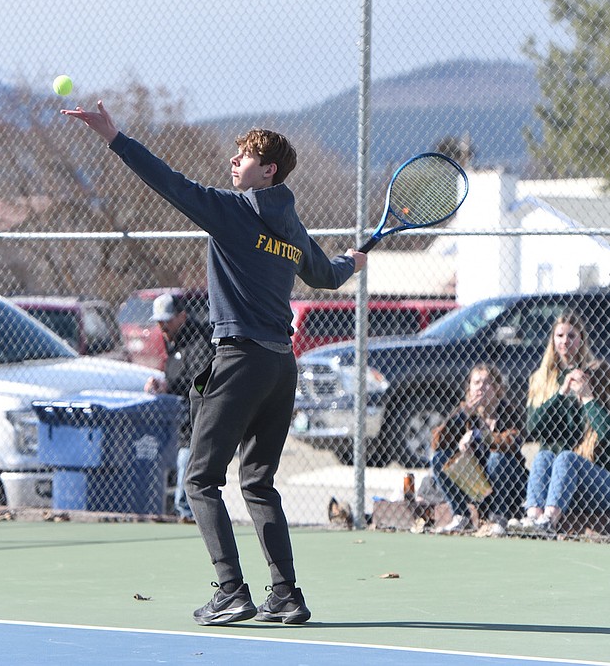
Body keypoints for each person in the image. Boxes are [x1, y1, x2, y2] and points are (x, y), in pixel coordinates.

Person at [63, 100, 366, 626]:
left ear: (267, 169)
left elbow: (169, 182)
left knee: (200, 480)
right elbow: (325, 276)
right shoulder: (291, 226)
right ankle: (287, 595)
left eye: (245, 155)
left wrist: (113, 136)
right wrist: (352, 263)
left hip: (241, 360)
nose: (234, 161)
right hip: (280, 367)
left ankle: (231, 590)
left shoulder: (232, 211)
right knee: (258, 482)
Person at [512, 312, 610, 536]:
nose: (565, 341)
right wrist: (561, 394)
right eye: (560, 335)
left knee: (567, 458)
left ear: (582, 339)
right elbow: (533, 428)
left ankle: (549, 521)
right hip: (567, 487)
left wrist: (588, 398)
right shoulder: (544, 379)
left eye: (572, 336)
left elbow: (609, 439)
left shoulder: (597, 374)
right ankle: (534, 518)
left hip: (607, 485)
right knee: (543, 456)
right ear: (552, 339)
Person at [429, 363, 527, 537]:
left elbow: (513, 441)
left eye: (487, 382)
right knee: (439, 458)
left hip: (505, 481)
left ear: (497, 389)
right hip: (474, 480)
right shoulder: (465, 413)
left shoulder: (510, 411)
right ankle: (461, 516)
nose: (481, 386)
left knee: (498, 458)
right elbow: (437, 442)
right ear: (469, 389)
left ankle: (499, 517)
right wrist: (461, 417)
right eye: (476, 382)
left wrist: (479, 436)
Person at [145, 292, 215, 523]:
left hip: (202, 417)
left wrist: (170, 385)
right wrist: (163, 383)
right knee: (182, 462)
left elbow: (200, 381)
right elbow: (178, 376)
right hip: (183, 419)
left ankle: (188, 513)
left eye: (166, 320)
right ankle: (186, 511)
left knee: (188, 462)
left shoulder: (198, 342)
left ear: (182, 316)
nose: (162, 326)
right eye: (159, 321)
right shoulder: (175, 341)